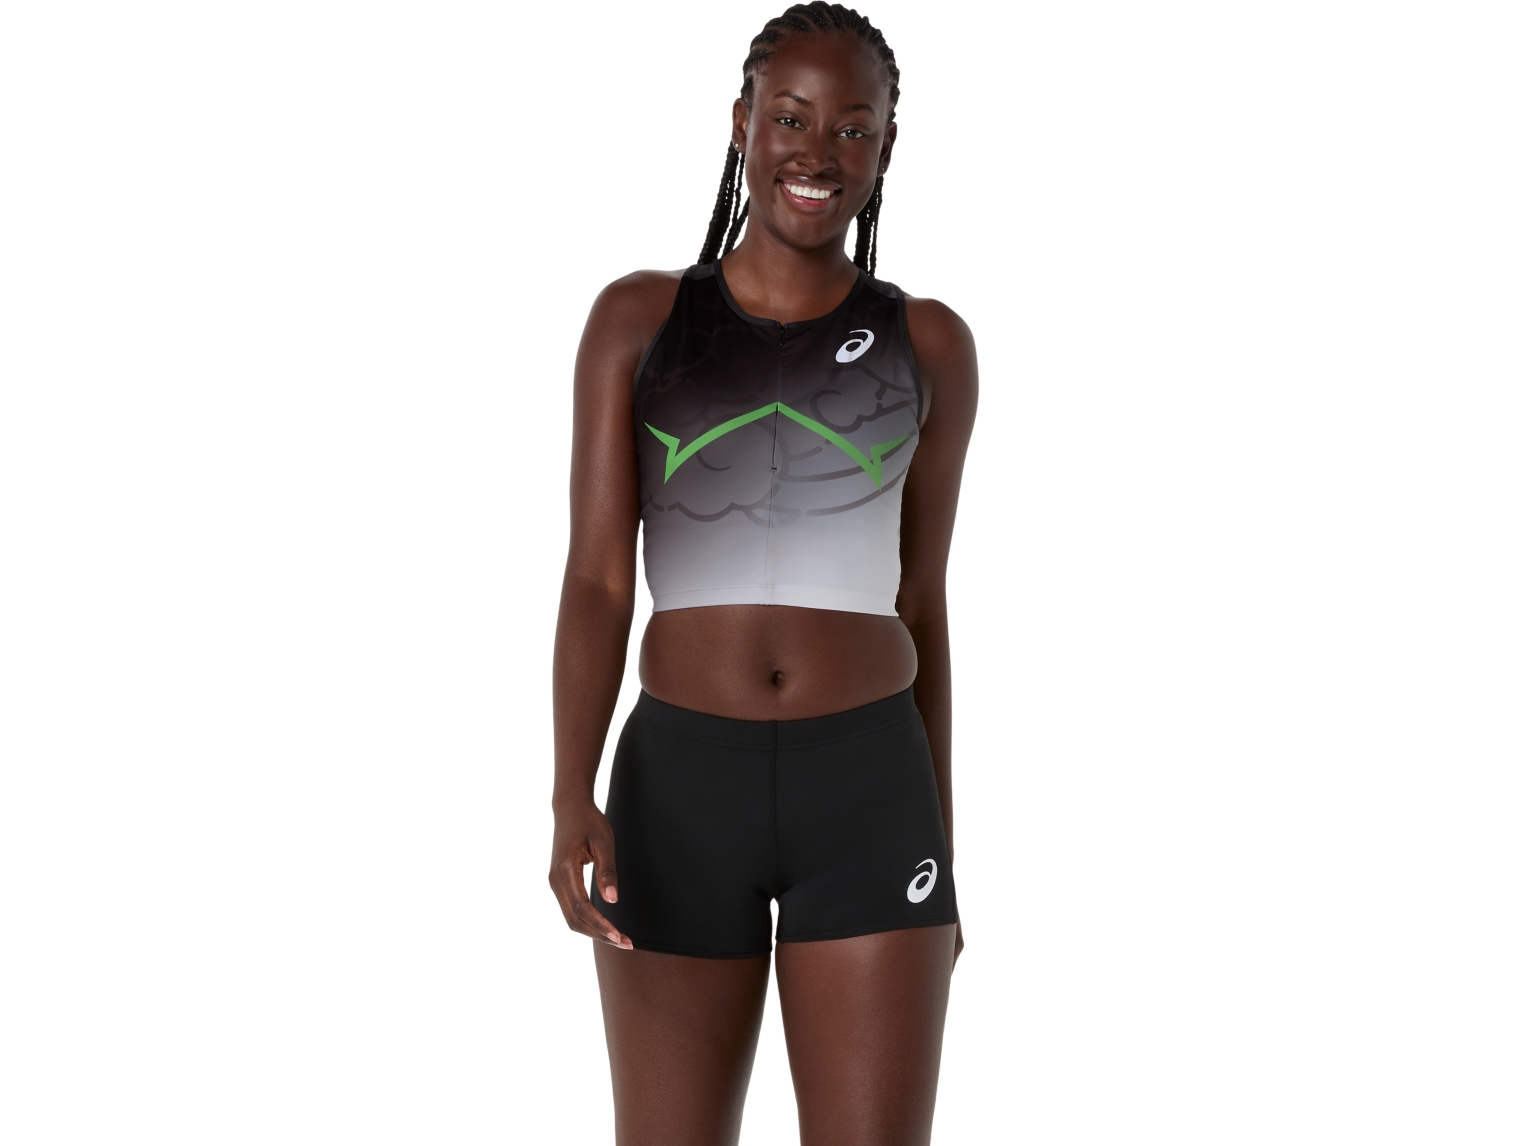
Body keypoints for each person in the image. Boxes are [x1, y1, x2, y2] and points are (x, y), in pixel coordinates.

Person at [548, 4, 978, 1142]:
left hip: (870, 790)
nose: (818, 152)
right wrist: (568, 792)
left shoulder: (930, 345)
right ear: (740, 123)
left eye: (853, 129)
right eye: (790, 118)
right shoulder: (638, 322)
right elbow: (596, 581)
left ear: (886, 148)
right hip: (679, 794)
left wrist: (944, 842)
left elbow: (922, 603)